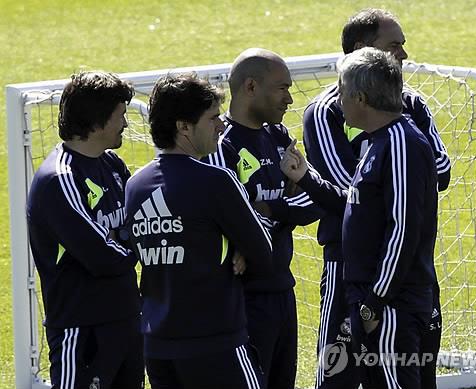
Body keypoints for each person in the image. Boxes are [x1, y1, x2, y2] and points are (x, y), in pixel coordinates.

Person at [302, 8, 450, 389]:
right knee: (341, 370)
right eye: (394, 46)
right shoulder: (348, 122)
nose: (402, 55)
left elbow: (395, 212)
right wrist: (307, 180)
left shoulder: (398, 132)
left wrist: (374, 300)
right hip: (349, 266)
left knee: (405, 370)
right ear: (362, 51)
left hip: (390, 284)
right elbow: (354, 199)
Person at [125, 74, 273, 389]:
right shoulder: (216, 181)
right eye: (212, 118)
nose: (221, 126)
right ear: (184, 126)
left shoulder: (134, 186)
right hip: (215, 345)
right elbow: (264, 252)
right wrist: (242, 248)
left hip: (158, 347)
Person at [205, 48, 324, 389]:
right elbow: (227, 217)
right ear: (251, 88)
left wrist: (267, 210)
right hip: (242, 297)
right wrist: (258, 219)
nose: (289, 98)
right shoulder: (219, 144)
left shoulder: (279, 137)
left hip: (282, 290)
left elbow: (314, 200)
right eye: (282, 88)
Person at [26, 71, 144, 389]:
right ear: (97, 121)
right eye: (120, 116)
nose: (126, 124)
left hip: (126, 321)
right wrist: (131, 238)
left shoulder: (113, 166)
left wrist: (126, 237)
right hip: (82, 330)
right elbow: (104, 257)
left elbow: (138, 228)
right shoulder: (59, 180)